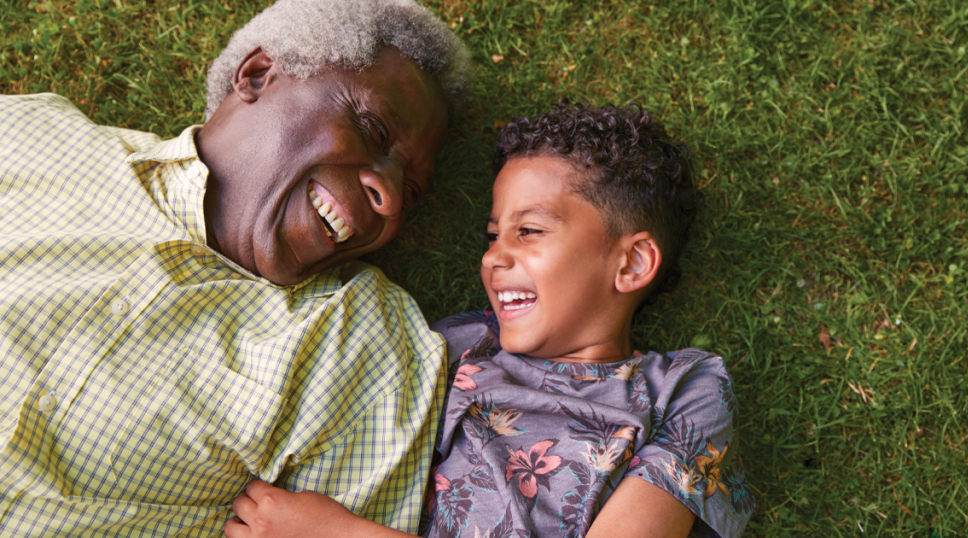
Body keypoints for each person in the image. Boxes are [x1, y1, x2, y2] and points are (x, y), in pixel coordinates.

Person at [0, 0, 470, 535]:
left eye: (408, 190)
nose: (387, 197)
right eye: (372, 129)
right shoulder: (28, 135)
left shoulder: (360, 348)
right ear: (257, 74)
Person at [226, 102, 755, 538]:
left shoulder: (686, 391)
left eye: (529, 231)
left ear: (632, 263)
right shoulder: (460, 344)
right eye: (492, 235)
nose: (493, 257)